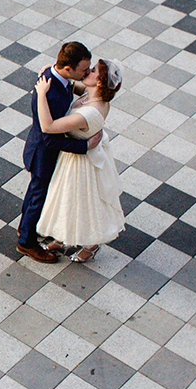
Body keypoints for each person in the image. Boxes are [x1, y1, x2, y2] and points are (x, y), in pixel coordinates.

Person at [33, 57, 125, 263]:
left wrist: (41, 94)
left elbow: (48, 126)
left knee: (82, 203)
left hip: (82, 163)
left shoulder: (90, 112)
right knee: (67, 200)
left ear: (100, 82)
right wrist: (52, 70)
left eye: (92, 71)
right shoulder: (92, 92)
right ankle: (63, 237)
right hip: (73, 156)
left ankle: (91, 245)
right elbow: (73, 83)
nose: (87, 72)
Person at [17, 42, 95, 263]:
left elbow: (70, 89)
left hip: (42, 151)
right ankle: (27, 243)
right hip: (43, 154)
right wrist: (85, 147)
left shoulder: (57, 77)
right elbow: (49, 137)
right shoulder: (49, 93)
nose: (87, 72)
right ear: (68, 69)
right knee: (38, 197)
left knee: (36, 193)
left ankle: (26, 229)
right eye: (84, 70)